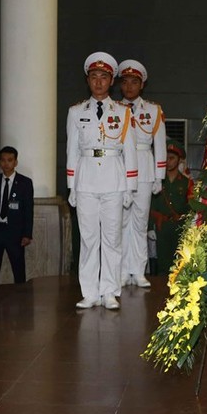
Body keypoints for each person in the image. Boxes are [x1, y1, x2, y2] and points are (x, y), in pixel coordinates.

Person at [66, 52, 138, 310]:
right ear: (88, 81)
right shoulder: (76, 112)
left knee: (112, 239)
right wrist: (71, 185)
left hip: (113, 181)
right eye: (94, 77)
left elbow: (130, 151)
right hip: (86, 180)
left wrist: (131, 186)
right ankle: (90, 292)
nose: (98, 82)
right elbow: (72, 151)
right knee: (88, 239)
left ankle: (109, 290)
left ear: (111, 81)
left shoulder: (122, 111)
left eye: (104, 77)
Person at [117, 59, 167, 288]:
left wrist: (159, 176)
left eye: (134, 82)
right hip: (120, 170)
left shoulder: (153, 110)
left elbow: (159, 144)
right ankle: (120, 271)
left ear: (142, 85)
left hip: (145, 171)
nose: (129, 87)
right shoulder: (113, 109)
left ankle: (138, 270)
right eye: (125, 82)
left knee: (139, 223)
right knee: (118, 223)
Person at [0, 146, 33, 284]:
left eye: (9, 160)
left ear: (15, 162)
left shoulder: (25, 183)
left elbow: (28, 209)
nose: (6, 164)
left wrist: (27, 234)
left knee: (18, 270)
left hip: (15, 232)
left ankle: (22, 301)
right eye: (3, 160)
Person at [150, 140, 193, 275]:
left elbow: (191, 206)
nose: (168, 161)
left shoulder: (187, 182)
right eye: (165, 158)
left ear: (179, 160)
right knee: (162, 264)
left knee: (179, 263)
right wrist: (150, 227)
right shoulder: (157, 181)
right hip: (161, 226)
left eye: (172, 158)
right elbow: (150, 205)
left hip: (179, 226)